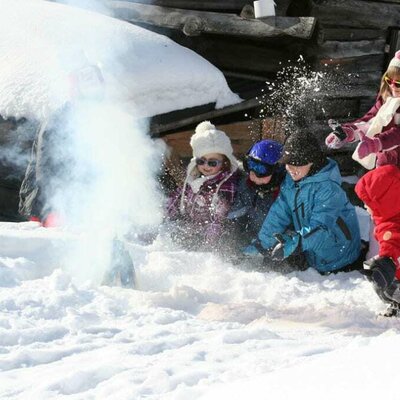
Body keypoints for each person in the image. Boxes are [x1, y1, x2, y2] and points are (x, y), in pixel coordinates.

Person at [245, 131, 361, 274]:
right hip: (312, 254)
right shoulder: (291, 181)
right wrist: (263, 243)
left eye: (297, 164)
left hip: (340, 259)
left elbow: (322, 228)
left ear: (312, 161)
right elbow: (279, 213)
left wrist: (296, 242)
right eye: (288, 163)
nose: (291, 169)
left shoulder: (329, 189)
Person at [166, 120, 239, 251]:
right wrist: (162, 214)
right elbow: (177, 198)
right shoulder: (194, 178)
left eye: (212, 163)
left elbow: (219, 219)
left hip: (209, 237)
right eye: (201, 161)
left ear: (224, 163)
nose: (206, 166)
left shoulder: (225, 185)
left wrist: (207, 246)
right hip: (191, 228)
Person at [325, 50, 400, 169]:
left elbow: (397, 134)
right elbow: (370, 121)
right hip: (385, 163)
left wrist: (376, 143)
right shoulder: (387, 99)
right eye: (389, 80)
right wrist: (349, 132)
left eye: (398, 83)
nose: (392, 86)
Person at [355, 165, 400, 316]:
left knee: (383, 283)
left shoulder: (390, 226)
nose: (365, 206)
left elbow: (391, 243)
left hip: (396, 272)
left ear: (383, 201)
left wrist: (384, 262)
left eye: (368, 202)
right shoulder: (393, 216)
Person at [227, 139, 285, 249]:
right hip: (252, 239)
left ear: (277, 170)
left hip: (274, 244)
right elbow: (236, 212)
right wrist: (234, 235)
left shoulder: (283, 194)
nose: (253, 174)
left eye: (260, 169)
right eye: (249, 165)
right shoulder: (246, 186)